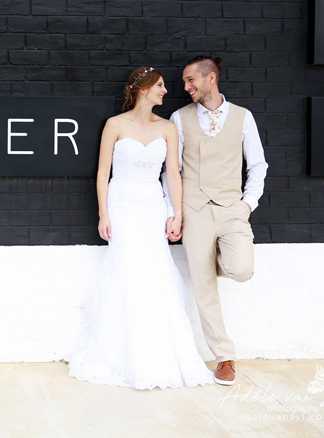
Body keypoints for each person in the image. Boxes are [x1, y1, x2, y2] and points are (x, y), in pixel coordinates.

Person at [66, 66, 215, 390]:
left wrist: (177, 214)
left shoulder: (168, 128)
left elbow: (173, 174)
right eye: (159, 86)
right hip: (122, 208)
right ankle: (121, 355)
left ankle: (157, 353)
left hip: (151, 209)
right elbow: (103, 172)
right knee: (126, 273)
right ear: (143, 89)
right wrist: (103, 214)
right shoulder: (115, 125)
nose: (165, 91)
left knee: (154, 274)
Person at [166, 55, 268, 386]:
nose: (186, 87)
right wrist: (175, 212)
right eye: (184, 81)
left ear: (210, 78)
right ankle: (224, 357)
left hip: (231, 209)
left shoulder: (243, 117)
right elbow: (172, 171)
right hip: (194, 211)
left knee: (242, 269)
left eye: (190, 80)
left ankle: (207, 263)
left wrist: (247, 204)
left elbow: (258, 165)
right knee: (204, 288)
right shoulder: (179, 118)